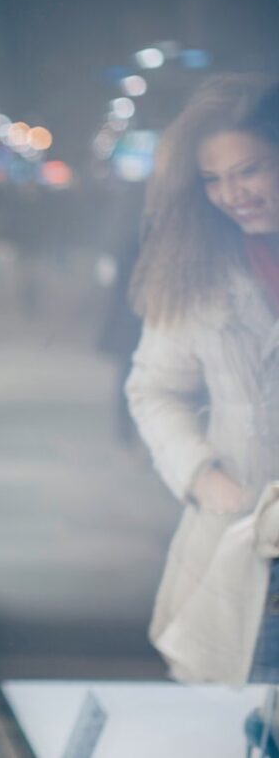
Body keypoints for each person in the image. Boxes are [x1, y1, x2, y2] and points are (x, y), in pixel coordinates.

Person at [126, 76, 279, 683]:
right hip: (234, 543)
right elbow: (153, 387)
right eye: (213, 179)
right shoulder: (197, 264)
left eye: (250, 170)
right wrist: (200, 473)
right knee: (234, 717)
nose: (231, 194)